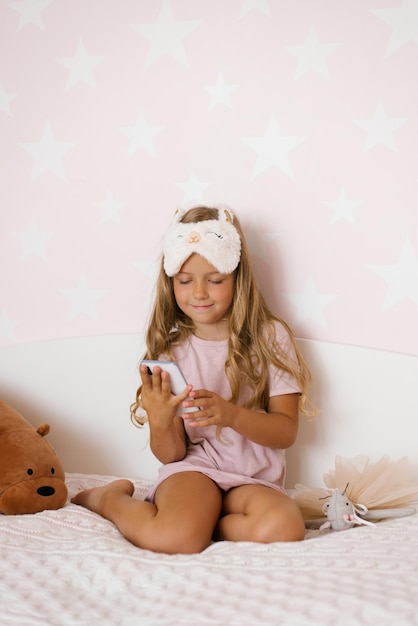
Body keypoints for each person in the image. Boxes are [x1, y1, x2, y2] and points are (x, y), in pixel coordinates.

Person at [72, 205, 313, 554]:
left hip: (251, 479)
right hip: (195, 471)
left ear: (237, 277)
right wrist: (160, 420)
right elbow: (171, 455)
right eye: (185, 281)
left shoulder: (270, 337)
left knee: (286, 526)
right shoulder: (171, 352)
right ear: (171, 282)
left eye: (214, 280)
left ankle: (203, 521)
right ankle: (110, 500)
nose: (199, 292)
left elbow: (286, 432)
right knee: (174, 539)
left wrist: (231, 415)